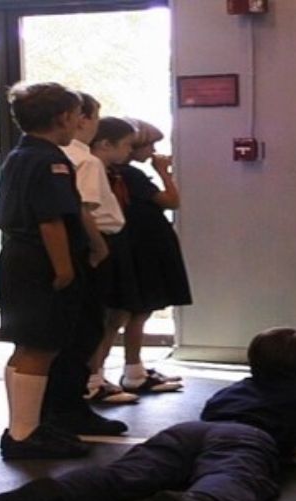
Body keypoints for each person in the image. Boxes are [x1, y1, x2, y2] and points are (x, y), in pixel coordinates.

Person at [0, 327, 296, 501]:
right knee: (233, 474)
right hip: (248, 438)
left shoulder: (233, 389)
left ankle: (55, 492)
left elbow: (210, 417)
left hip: (191, 431)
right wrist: (288, 454)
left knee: (125, 474)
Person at [0, 81, 92, 459]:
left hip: (18, 257)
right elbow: (50, 221)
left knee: (26, 346)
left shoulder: (20, 154)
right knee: (41, 346)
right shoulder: (48, 159)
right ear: (64, 117)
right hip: (42, 260)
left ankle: (23, 424)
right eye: (77, 116)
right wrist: (65, 268)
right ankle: (23, 435)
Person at [41, 103, 137, 443]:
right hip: (89, 249)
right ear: (78, 118)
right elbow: (83, 211)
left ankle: (66, 403)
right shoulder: (81, 159)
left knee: (81, 329)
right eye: (94, 117)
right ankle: (69, 406)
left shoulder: (60, 156)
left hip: (83, 248)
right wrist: (98, 248)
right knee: (85, 329)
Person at [89, 117, 191, 395]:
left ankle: (129, 370)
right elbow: (172, 200)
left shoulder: (120, 173)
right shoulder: (128, 175)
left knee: (130, 311)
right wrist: (164, 172)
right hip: (138, 245)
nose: (153, 150)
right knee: (127, 311)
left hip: (138, 243)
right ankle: (101, 375)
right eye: (149, 145)